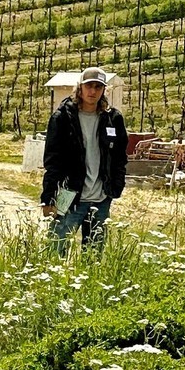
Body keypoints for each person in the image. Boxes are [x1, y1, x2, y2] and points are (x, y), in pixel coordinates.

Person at [40, 66, 127, 250]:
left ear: (104, 90)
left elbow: (119, 158)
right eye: (89, 86)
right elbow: (52, 161)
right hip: (68, 195)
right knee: (55, 249)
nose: (93, 91)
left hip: (101, 198)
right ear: (80, 87)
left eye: (98, 87)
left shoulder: (113, 119)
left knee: (94, 255)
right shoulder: (63, 118)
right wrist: (48, 198)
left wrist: (115, 187)